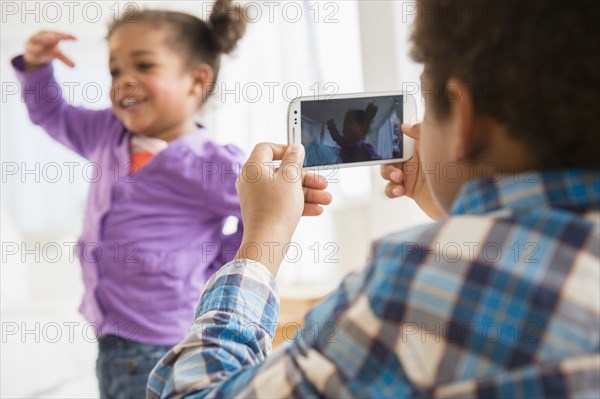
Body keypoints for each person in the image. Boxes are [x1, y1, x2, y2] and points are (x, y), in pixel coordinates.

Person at [148, 0, 599, 397]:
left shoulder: (414, 284)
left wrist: (262, 240)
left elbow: (189, 393)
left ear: (465, 120)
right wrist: (455, 213)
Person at [11, 1, 248, 397]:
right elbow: (53, 113)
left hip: (166, 341)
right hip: (111, 337)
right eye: (115, 69)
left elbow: (263, 210)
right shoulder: (108, 132)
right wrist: (36, 68)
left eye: (144, 66)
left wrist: (214, 268)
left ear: (196, 81)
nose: (124, 80)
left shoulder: (210, 164)